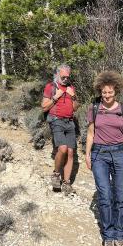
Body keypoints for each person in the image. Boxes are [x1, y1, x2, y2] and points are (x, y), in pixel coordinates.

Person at [85, 71, 123, 246]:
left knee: (121, 196)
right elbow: (90, 133)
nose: (107, 96)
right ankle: (108, 237)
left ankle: (119, 235)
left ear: (116, 91)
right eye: (104, 93)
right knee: (105, 195)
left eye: (110, 93)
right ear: (100, 91)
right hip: (99, 154)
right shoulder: (94, 108)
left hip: (120, 154)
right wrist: (87, 154)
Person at [41, 64, 79, 195]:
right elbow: (44, 107)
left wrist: (73, 96)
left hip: (70, 122)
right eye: (63, 76)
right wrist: (55, 97)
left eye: (68, 77)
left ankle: (66, 183)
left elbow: (76, 108)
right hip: (56, 120)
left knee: (70, 152)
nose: (65, 79)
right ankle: (56, 175)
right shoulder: (50, 87)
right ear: (57, 74)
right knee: (62, 148)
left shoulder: (71, 88)